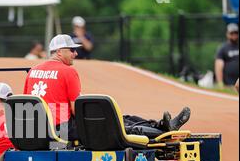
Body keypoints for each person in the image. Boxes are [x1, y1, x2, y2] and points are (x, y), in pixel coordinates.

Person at [23, 34, 191, 141]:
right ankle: (163, 131)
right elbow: (76, 110)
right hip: (63, 129)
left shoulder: (32, 71)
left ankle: (161, 125)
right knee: (115, 123)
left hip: (41, 129)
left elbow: (26, 103)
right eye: (72, 50)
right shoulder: (68, 72)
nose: (76, 54)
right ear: (59, 52)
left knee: (122, 117)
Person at [215, 23, 239, 87]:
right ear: (227, 34)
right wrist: (220, 83)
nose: (234, 35)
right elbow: (218, 66)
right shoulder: (223, 48)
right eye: (232, 33)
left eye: (236, 33)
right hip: (228, 84)